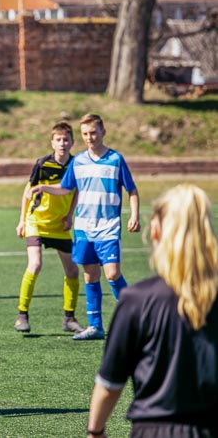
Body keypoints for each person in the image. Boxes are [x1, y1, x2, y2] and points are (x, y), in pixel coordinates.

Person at [85, 184, 218, 438]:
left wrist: (96, 431)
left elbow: (110, 382)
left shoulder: (137, 299)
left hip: (152, 430)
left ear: (155, 231)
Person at [27, 113, 140, 340]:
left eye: (93, 133)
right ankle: (95, 326)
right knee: (90, 277)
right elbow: (66, 188)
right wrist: (43, 188)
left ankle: (135, 318)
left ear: (103, 132)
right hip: (84, 228)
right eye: (86, 134)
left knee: (113, 274)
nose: (90, 137)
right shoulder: (78, 161)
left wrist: (134, 215)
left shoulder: (116, 159)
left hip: (108, 226)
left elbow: (132, 190)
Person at [14, 122, 83, 334]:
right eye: (58, 140)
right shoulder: (42, 164)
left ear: (72, 142)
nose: (62, 143)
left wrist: (70, 215)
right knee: (35, 265)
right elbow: (28, 192)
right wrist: (23, 220)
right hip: (37, 221)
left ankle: (69, 318)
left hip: (59, 225)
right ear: (52, 142)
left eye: (66, 140)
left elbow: (76, 192)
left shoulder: (76, 165)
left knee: (72, 270)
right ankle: (22, 315)